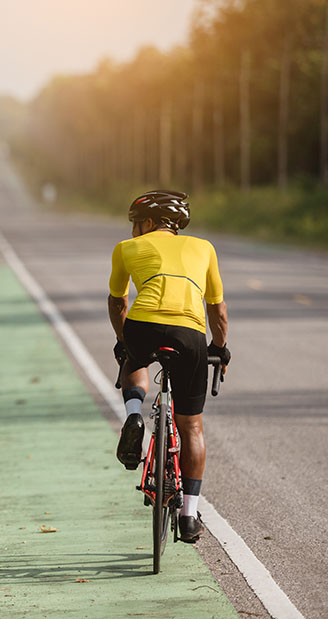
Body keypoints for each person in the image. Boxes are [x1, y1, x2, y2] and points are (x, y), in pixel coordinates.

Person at [107, 190, 230, 544]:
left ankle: (134, 413)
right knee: (191, 426)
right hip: (190, 333)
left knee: (134, 358)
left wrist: (123, 339)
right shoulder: (204, 248)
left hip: (142, 324)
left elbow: (118, 302)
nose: (133, 231)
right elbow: (217, 311)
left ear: (148, 222)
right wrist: (219, 349)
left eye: (135, 223)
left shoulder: (125, 250)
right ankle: (189, 514)